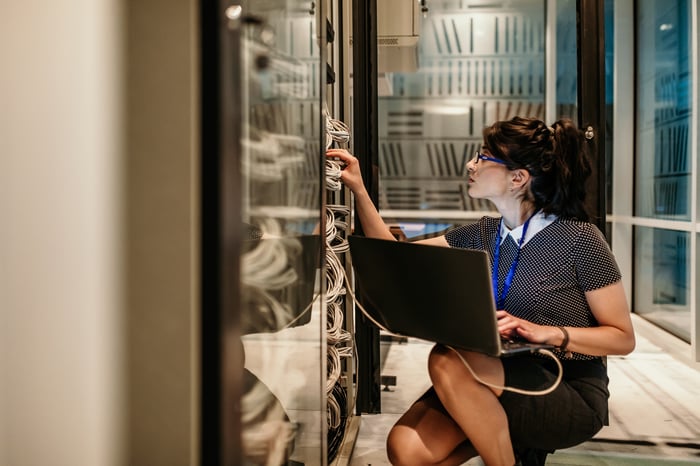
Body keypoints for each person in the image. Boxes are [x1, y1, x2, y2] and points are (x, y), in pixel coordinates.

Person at [326, 116, 636, 466]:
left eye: (482, 157)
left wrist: (548, 333)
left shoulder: (580, 240)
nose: (470, 164)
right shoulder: (481, 233)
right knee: (406, 449)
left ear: (518, 178)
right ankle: (510, 445)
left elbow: (622, 338)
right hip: (486, 374)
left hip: (565, 386)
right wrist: (359, 190)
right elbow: (396, 258)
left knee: (447, 357)